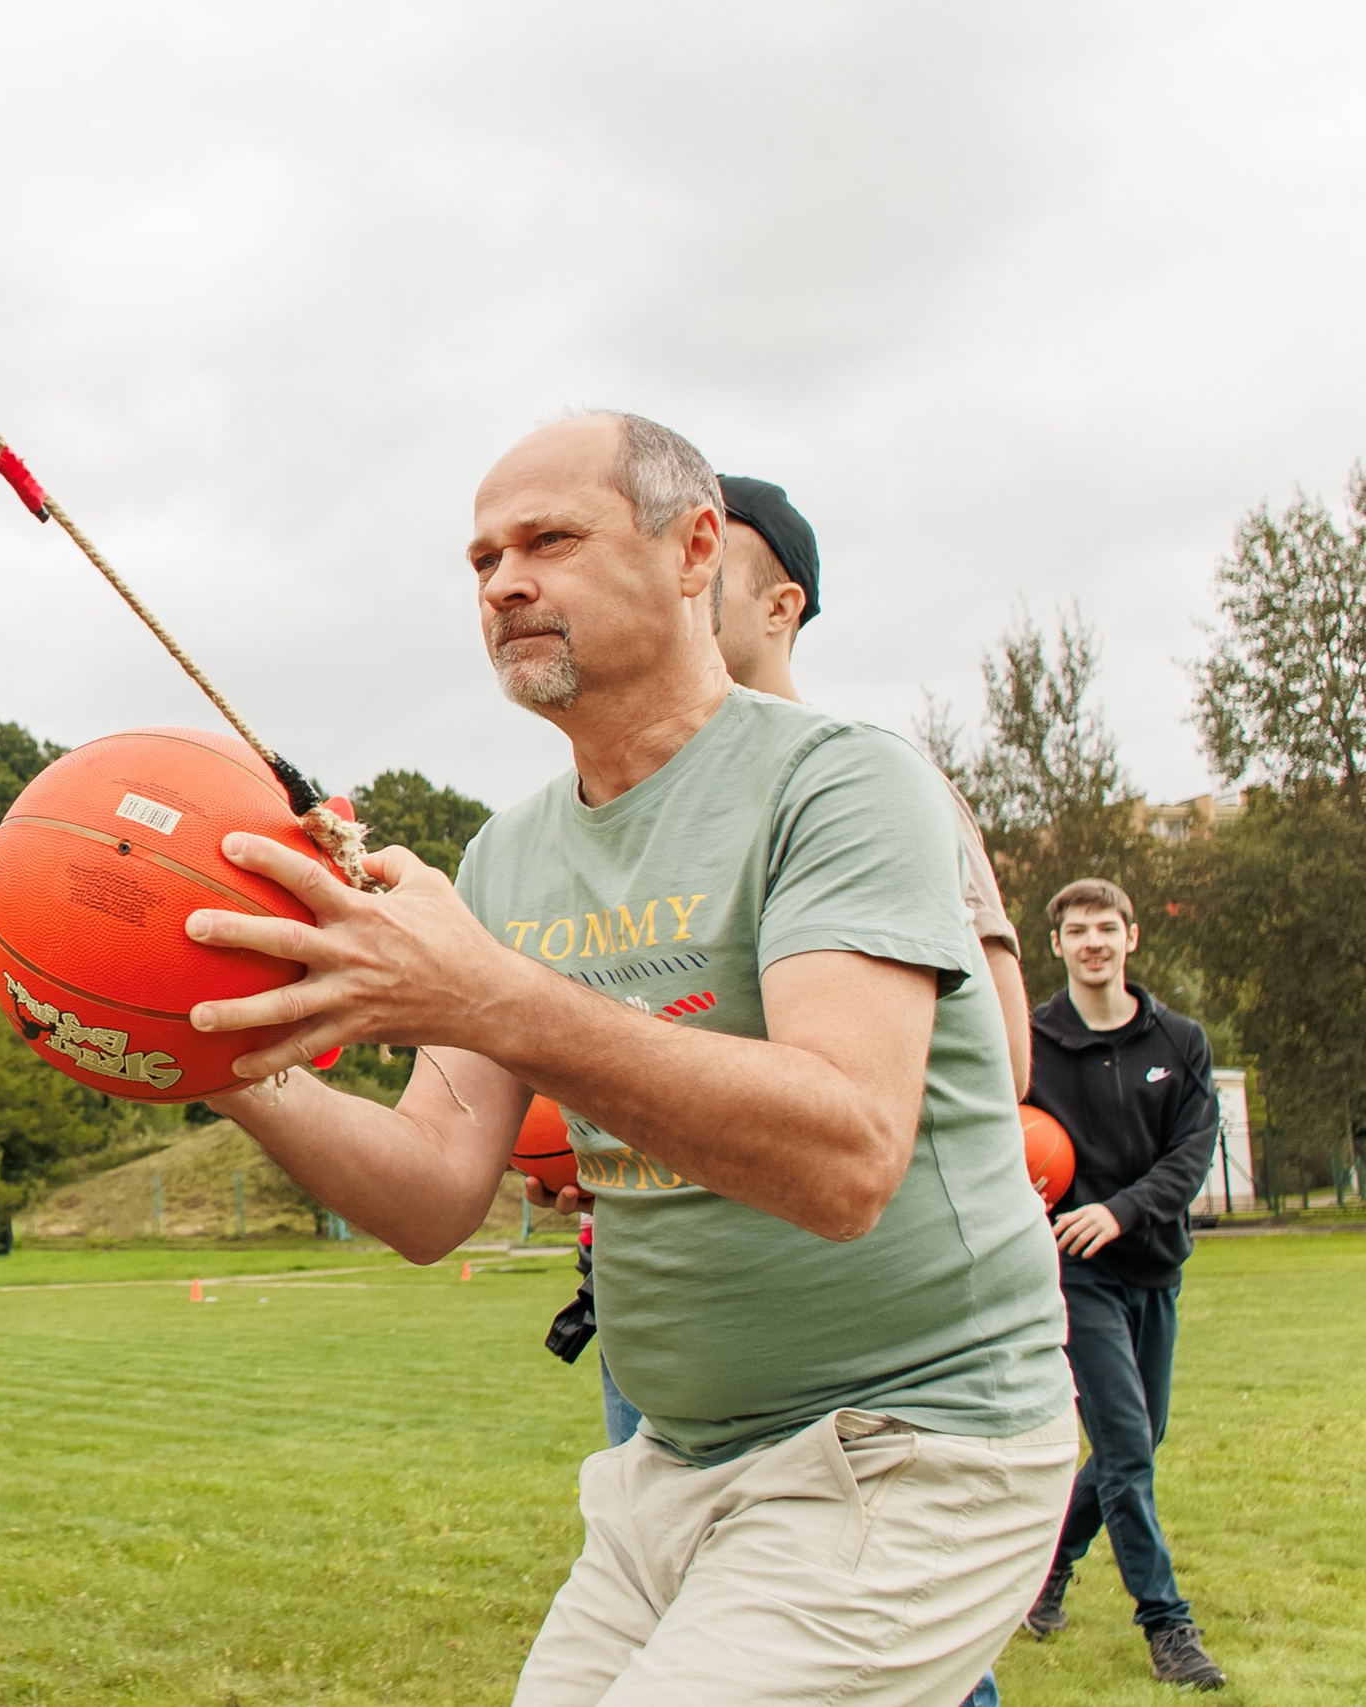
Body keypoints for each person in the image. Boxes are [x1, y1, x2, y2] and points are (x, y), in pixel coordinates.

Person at [198, 412, 1073, 1705]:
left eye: (548, 539)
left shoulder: (845, 784)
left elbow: (847, 1155)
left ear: (694, 549)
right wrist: (217, 1060)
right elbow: (437, 1187)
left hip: (914, 1444)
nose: (503, 582)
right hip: (674, 1466)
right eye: (482, 559)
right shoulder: (508, 857)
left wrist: (495, 995)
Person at [711, 472, 1042, 1707]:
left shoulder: (880, 789)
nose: (671, 576)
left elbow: (1005, 1060)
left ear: (780, 604)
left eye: (708, 560)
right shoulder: (608, 820)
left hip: (880, 1350)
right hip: (688, 1340)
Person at [1020, 879, 1225, 1689]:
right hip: (1078, 1272)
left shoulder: (1180, 1040)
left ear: (1132, 937)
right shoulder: (1030, 1044)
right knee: (1128, 1448)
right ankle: (1168, 1627)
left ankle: (1044, 1576)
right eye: (1077, 929)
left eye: (1107, 927)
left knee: (1138, 1440)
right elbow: (999, 1137)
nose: (1093, 941)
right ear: (1059, 944)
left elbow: (1191, 1152)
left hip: (1154, 1262)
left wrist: (1124, 1209)